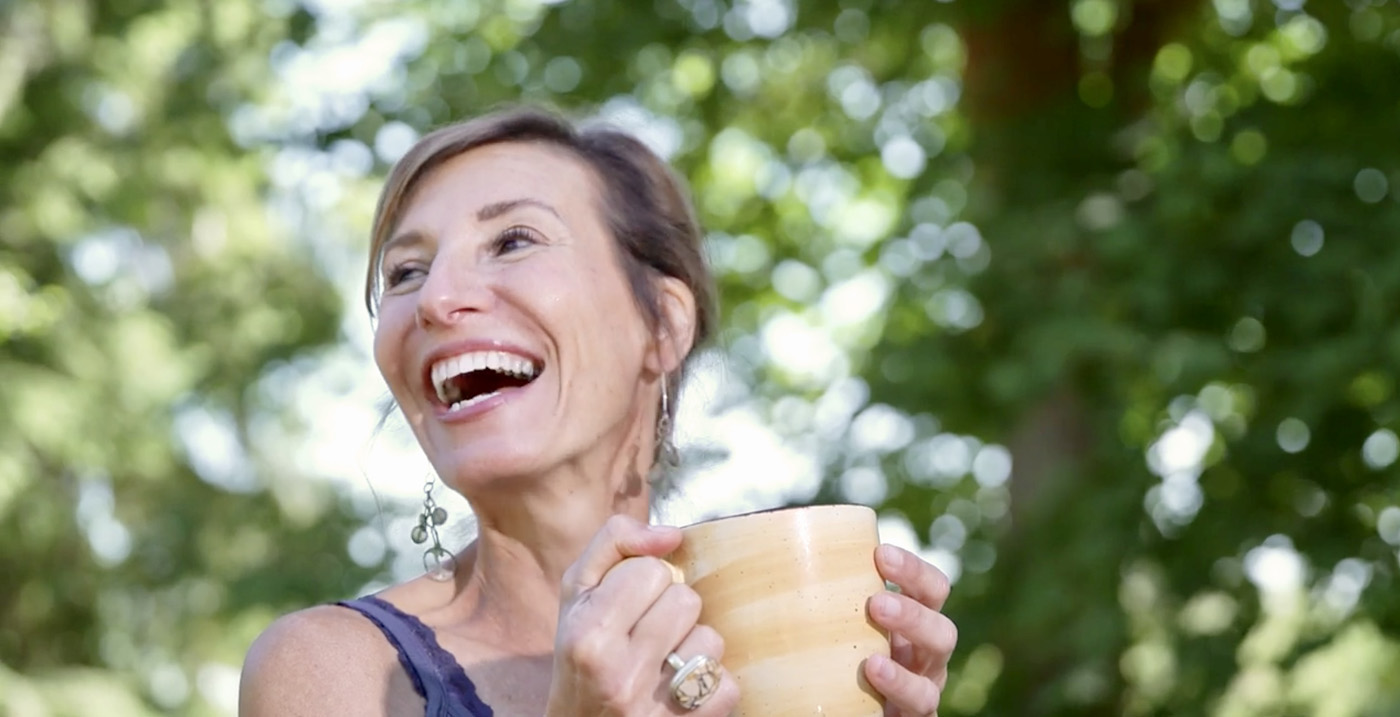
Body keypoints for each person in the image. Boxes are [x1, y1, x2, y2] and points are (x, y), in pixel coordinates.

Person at [238, 106, 957, 716]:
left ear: (663, 326)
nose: (434, 299)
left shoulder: (778, 649)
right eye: (405, 272)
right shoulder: (332, 670)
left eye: (512, 240)